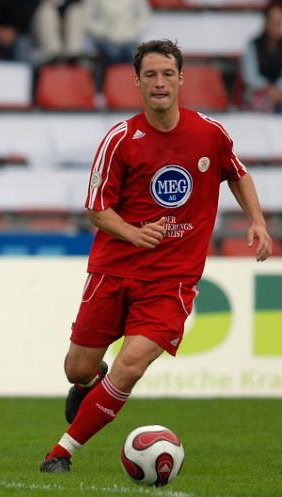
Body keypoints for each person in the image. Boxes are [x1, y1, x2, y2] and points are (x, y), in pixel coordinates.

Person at [40, 39, 273, 474]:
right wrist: (132, 233)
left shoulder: (209, 133)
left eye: (168, 74)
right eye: (151, 75)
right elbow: (95, 209)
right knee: (77, 367)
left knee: (131, 364)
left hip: (172, 280)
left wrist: (257, 221)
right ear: (137, 83)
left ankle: (61, 452)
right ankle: (88, 382)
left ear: (181, 79)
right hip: (114, 270)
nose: (160, 83)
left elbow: (237, 174)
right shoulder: (120, 140)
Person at [241, 1, 282, 113]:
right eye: (274, 22)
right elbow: (250, 76)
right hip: (258, 95)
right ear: (266, 22)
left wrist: (278, 90)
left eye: (279, 23)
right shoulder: (253, 45)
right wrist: (268, 88)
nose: (277, 27)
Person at [32, 0, 88, 64]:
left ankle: (73, 56)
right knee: (46, 10)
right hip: (40, 36)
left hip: (66, 34)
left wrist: (63, 22)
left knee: (76, 11)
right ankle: (53, 56)